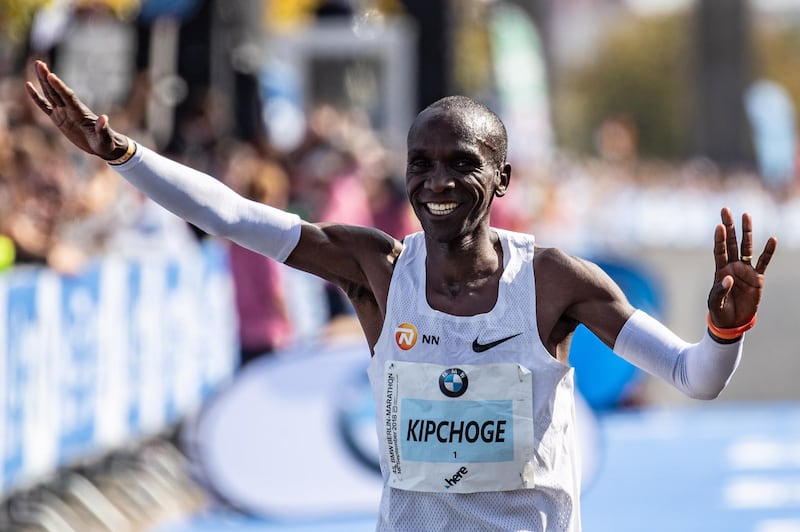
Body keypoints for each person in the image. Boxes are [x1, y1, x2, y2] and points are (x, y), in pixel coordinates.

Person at [26, 60, 777, 531]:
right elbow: (234, 217)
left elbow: (694, 379)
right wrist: (120, 153)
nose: (438, 182)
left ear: (505, 180)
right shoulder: (376, 269)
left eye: (462, 163)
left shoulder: (556, 283)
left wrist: (725, 330)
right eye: (422, 162)